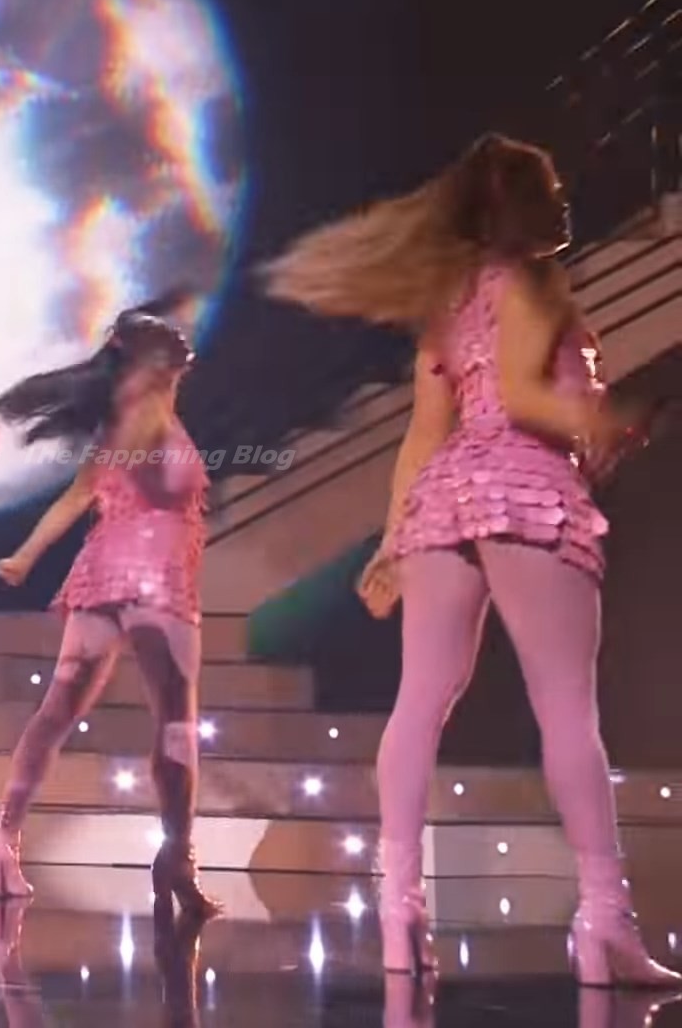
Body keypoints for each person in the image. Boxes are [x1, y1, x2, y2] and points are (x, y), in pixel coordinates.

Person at [264, 133, 676, 986]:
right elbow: (521, 396)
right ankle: (605, 919)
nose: (565, 199)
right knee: (567, 711)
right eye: (551, 187)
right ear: (521, 207)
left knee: (419, 702)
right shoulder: (531, 283)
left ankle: (398, 908)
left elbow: (425, 435)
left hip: (447, 493)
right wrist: (604, 418)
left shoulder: (450, 307)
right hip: (524, 490)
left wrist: (394, 538)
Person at [0, 292, 221, 921]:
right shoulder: (143, 414)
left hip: (103, 575)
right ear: (149, 363)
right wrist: (25, 554)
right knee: (176, 723)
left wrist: (25, 556)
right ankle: (177, 858)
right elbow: (93, 485)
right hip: (155, 581)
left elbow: (78, 496)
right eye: (170, 348)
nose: (183, 352)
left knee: (59, 711)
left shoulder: (127, 419)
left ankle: (1, 841)